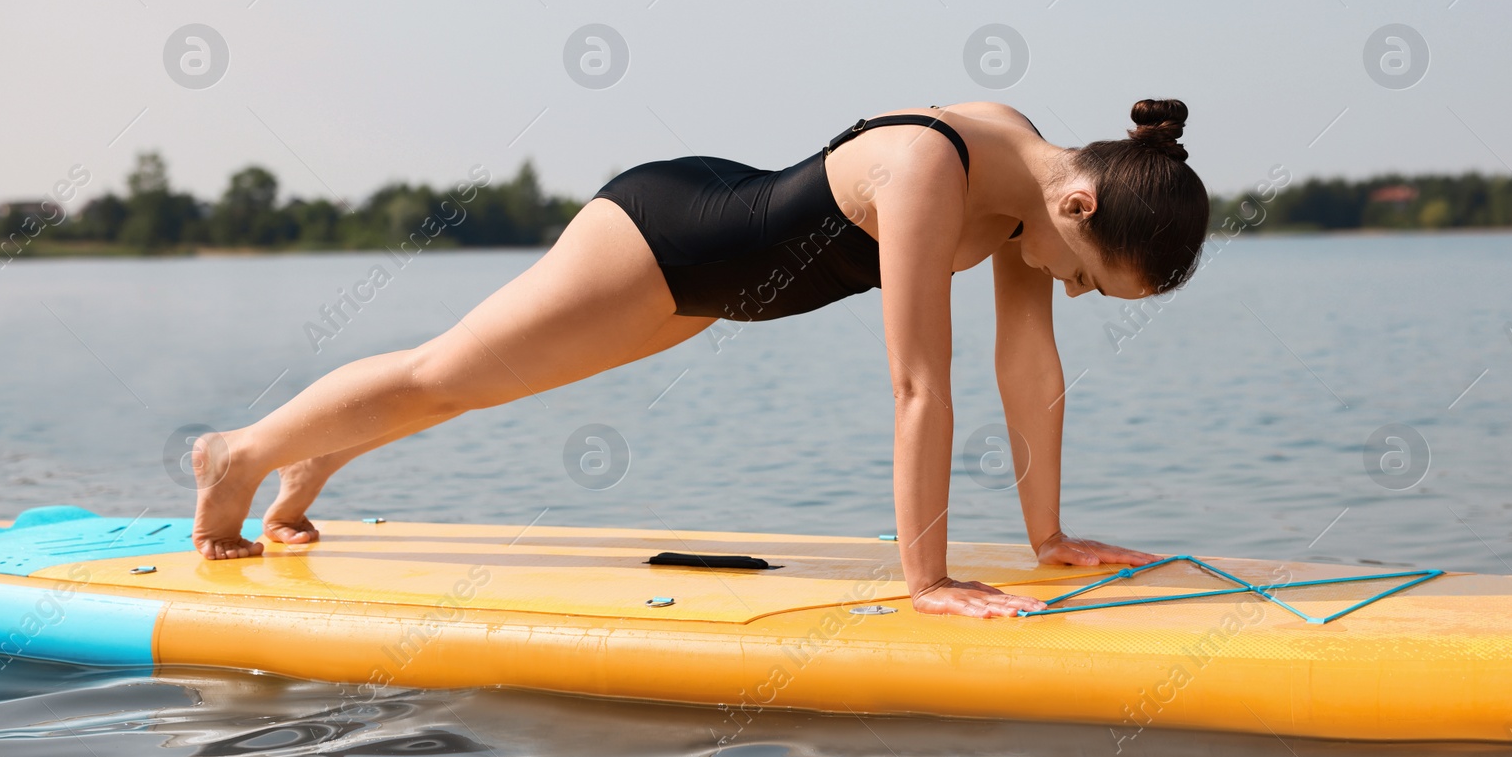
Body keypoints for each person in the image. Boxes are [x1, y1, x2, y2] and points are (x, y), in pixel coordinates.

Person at [190, 99, 1209, 618]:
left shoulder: (1034, 191)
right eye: (1085, 277)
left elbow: (1026, 372)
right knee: (446, 373)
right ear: (1079, 205)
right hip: (667, 239)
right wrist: (926, 579)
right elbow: (916, 385)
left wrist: (1050, 535)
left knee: (469, 382)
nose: (1066, 290)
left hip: (717, 283)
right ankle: (237, 453)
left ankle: (317, 454)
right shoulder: (932, 168)